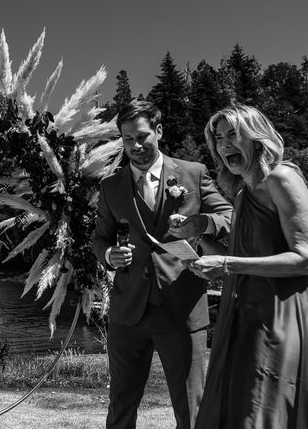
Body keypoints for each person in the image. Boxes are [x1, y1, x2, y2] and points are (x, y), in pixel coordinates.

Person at [91, 100, 232, 429]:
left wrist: (202, 223)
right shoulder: (110, 186)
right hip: (128, 313)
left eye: (142, 136)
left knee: (191, 409)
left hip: (182, 309)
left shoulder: (193, 173)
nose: (135, 146)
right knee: (121, 406)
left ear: (159, 131)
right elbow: (100, 239)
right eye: (127, 139)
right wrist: (109, 256)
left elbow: (230, 216)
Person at [191, 104, 308, 429]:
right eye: (218, 138)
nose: (225, 144)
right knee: (236, 411)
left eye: (233, 135)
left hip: (277, 320)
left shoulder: (282, 179)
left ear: (256, 139)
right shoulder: (243, 194)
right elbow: (240, 256)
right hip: (243, 320)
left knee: (260, 415)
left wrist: (226, 263)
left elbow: (304, 257)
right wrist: (194, 238)